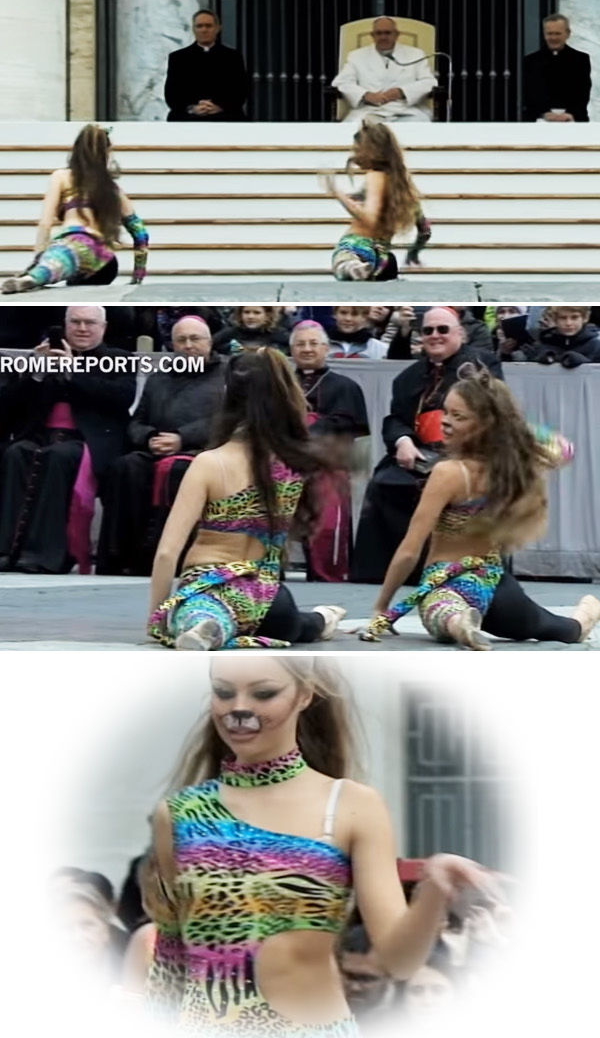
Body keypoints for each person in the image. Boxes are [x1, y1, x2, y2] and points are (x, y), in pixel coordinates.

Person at [142, 651, 499, 1033]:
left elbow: (398, 961)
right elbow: (172, 956)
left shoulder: (350, 805)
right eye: (223, 692)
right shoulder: (179, 813)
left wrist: (432, 892)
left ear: (304, 695)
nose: (239, 709)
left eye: (263, 694)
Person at [360, 365, 600, 647]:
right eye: (445, 411)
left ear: (483, 424)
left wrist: (381, 608)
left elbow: (409, 549)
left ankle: (460, 623)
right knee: (559, 629)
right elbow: (564, 448)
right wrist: (508, 423)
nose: (445, 421)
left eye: (458, 416)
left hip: (449, 584)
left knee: (443, 612)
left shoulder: (449, 472)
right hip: (497, 586)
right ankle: (585, 615)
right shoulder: (511, 468)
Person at [146, 348, 346, 649]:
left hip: (210, 586)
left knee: (203, 612)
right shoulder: (293, 465)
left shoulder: (209, 463)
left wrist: (157, 617)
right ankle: (321, 618)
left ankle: (208, 627)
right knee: (289, 623)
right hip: (269, 597)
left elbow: (166, 553)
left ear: (228, 394)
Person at [351, 305, 501, 584]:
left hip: (467, 454)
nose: (435, 335)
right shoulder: (407, 377)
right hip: (420, 453)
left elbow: (494, 412)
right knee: (385, 482)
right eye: (428, 330)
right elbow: (395, 418)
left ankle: (457, 568)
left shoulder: (483, 365)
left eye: (443, 329)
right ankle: (391, 571)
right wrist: (403, 441)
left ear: (460, 334)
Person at [0, 305, 134, 572]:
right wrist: (36, 373)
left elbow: (120, 398)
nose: (82, 328)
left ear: (103, 328)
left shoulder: (119, 358)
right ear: (65, 325)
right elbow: (11, 409)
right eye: (75, 322)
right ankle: (7, 550)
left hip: (87, 442)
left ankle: (46, 555)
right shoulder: (45, 356)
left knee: (58, 458)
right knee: (15, 453)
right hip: (41, 436)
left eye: (89, 323)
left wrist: (74, 372)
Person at [96, 316, 227, 575]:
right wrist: (150, 437)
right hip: (156, 451)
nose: (189, 345)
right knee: (126, 467)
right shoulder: (159, 378)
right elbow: (136, 421)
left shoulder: (228, 373)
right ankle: (124, 557)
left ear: (209, 342)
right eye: (181, 340)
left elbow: (227, 419)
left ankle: (172, 558)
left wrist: (181, 438)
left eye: (195, 339)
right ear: (172, 345)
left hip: (202, 452)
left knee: (178, 470)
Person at [0, 123, 149, 295]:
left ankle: (33, 277)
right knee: (73, 276)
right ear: (105, 154)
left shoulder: (62, 176)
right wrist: (138, 276)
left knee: (58, 260)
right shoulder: (112, 189)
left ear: (76, 150)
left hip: (76, 245)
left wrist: (38, 259)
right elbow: (140, 233)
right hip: (105, 262)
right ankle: (36, 276)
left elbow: (45, 224)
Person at [290, 319, 370, 581]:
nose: (307, 349)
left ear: (326, 349)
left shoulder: (345, 386)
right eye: (301, 344)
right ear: (291, 351)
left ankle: (328, 578)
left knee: (327, 524)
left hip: (328, 463)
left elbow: (349, 426)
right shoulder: (280, 384)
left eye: (314, 343)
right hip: (285, 463)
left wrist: (310, 430)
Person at [319, 119, 431, 281]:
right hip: (381, 256)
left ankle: (353, 268)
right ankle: (361, 269)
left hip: (356, 246)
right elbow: (425, 229)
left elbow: (369, 218)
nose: (355, 155)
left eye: (357, 150)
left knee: (343, 262)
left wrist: (336, 192)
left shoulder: (375, 176)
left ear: (369, 150)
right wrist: (413, 253)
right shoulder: (405, 191)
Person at [332, 15, 436, 122]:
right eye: (379, 33)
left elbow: (428, 81)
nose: (383, 37)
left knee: (420, 128)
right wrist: (366, 95)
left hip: (406, 110)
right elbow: (342, 82)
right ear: (372, 35)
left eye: (387, 33)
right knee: (353, 127)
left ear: (396, 35)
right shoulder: (356, 56)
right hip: (368, 111)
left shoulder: (415, 54)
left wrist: (402, 92)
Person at [164, 8, 249, 121]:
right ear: (193, 29)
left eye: (208, 26)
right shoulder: (178, 58)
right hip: (188, 116)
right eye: (199, 26)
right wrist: (193, 108)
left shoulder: (232, 57)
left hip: (225, 114)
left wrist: (219, 107)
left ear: (218, 28)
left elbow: (240, 91)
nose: (204, 30)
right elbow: (172, 94)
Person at [522, 13, 591, 122]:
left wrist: (569, 112)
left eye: (558, 33)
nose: (553, 38)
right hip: (538, 119)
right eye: (549, 33)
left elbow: (582, 90)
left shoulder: (580, 59)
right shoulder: (531, 61)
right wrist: (545, 112)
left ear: (567, 34)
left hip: (573, 118)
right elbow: (530, 91)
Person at [529, 305, 600, 367]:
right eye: (563, 318)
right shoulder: (540, 346)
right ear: (555, 320)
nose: (568, 323)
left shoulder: (595, 346)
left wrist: (584, 363)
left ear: (585, 318)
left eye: (574, 318)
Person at [213, 307, 291, 355]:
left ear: (267, 316)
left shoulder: (279, 334)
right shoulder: (231, 333)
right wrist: (231, 348)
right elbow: (212, 345)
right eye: (246, 312)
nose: (250, 316)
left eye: (257, 313)